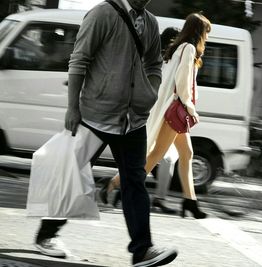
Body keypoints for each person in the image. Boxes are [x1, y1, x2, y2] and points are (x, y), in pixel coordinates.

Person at [33, 1, 178, 266]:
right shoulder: (102, 14)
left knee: (135, 182)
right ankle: (46, 235)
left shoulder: (150, 22)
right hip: (95, 116)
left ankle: (142, 250)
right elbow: (79, 59)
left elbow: (154, 63)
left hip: (132, 120)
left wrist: (150, 92)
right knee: (72, 176)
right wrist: (72, 107)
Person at [101, 13, 211, 219]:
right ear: (198, 31)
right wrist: (190, 107)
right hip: (176, 111)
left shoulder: (178, 48)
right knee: (154, 155)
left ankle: (190, 202)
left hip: (170, 110)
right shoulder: (188, 49)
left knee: (186, 154)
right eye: (206, 32)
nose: (207, 36)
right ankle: (116, 185)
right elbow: (183, 81)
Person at [99, 27, 181, 214]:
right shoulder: (161, 61)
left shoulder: (160, 59)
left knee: (161, 157)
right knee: (157, 157)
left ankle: (121, 188)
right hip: (153, 115)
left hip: (154, 114)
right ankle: (119, 187)